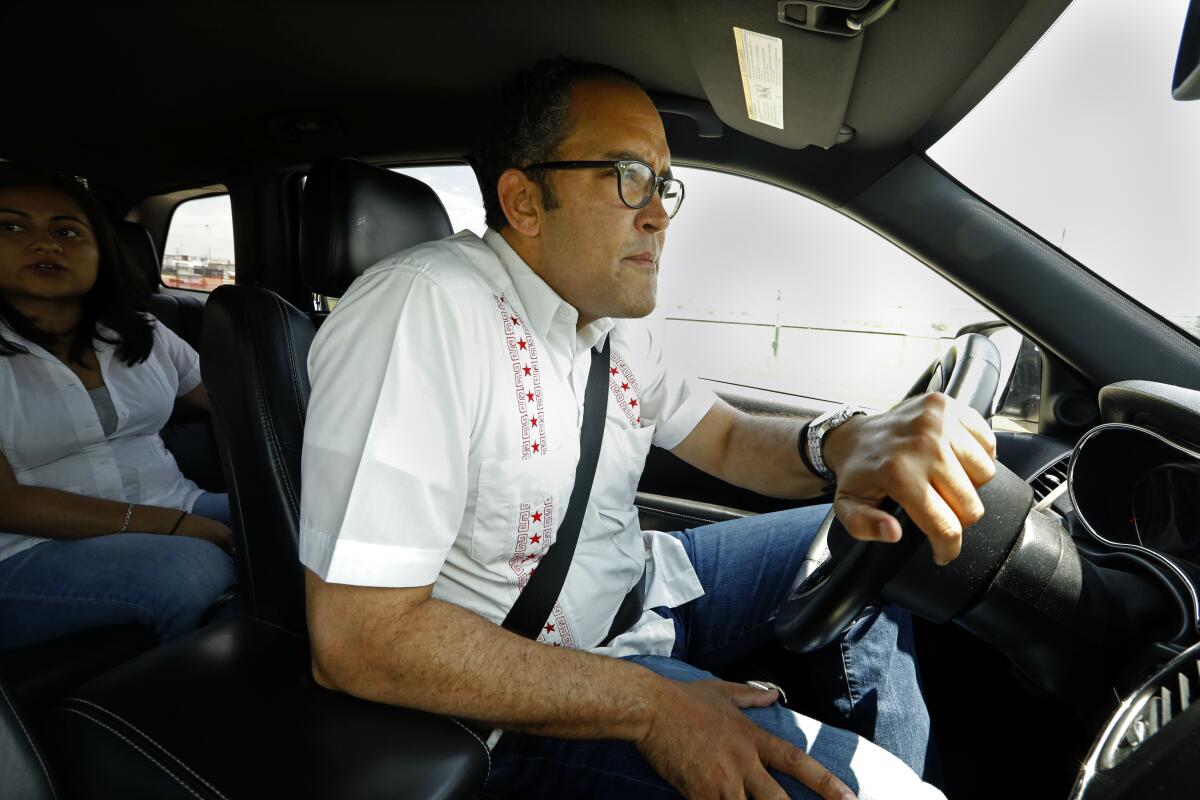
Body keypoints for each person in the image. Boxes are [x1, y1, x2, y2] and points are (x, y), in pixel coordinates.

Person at [300, 60, 996, 800]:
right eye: (629, 174)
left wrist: (844, 442)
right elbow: (360, 641)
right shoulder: (424, 312)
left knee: (883, 539)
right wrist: (649, 704)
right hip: (533, 691)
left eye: (664, 183)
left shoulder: (611, 328)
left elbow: (726, 438)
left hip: (652, 587)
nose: (660, 212)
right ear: (524, 200)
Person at [0, 166, 238, 650]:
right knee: (191, 570)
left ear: (101, 254)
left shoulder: (143, 331)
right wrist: (174, 528)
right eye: (12, 227)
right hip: (25, 549)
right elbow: (7, 503)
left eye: (67, 231)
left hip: (175, 501)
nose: (46, 244)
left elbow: (235, 405)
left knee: (299, 525)